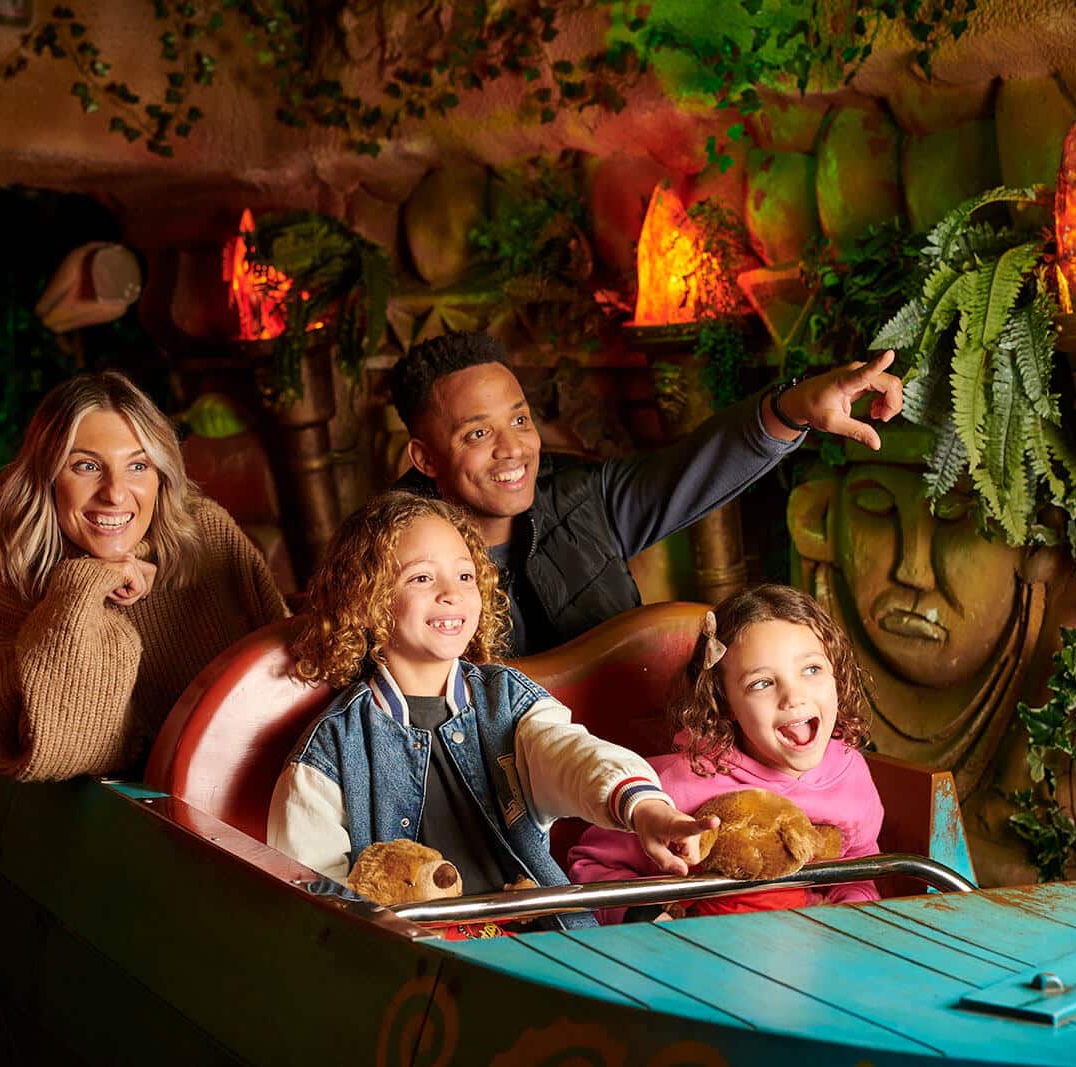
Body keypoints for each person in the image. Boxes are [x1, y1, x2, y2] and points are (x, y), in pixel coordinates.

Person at [266, 491, 717, 931]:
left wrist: (647, 811)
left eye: (465, 576)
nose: (450, 593)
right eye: (422, 578)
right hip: (419, 967)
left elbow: (573, 756)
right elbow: (311, 894)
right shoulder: (330, 749)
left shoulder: (507, 701)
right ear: (366, 600)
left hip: (541, 935)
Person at [389, 332, 903, 655]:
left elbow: (700, 464)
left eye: (519, 420)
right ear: (426, 457)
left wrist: (798, 408)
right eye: (477, 434)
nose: (512, 449)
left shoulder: (585, 499)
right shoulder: (388, 555)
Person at [0, 371, 288, 782]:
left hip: (264, 793)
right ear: (45, 478)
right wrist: (84, 588)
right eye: (86, 466)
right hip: (128, 830)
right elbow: (63, 754)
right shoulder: (5, 594)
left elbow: (291, 672)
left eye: (138, 465)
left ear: (161, 476)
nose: (115, 493)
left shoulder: (208, 537)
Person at [568, 583, 883, 920]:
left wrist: (850, 917)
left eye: (811, 669)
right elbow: (590, 865)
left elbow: (860, 869)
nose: (794, 697)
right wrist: (642, 918)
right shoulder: (676, 785)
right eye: (761, 683)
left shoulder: (850, 773)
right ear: (725, 703)